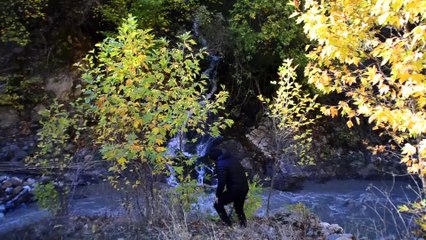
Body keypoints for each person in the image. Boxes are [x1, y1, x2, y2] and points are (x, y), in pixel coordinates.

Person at [210, 147, 249, 227]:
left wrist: (217, 195)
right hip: (244, 187)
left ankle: (228, 224)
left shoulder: (221, 163)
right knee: (238, 208)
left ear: (214, 158)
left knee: (217, 204)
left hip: (234, 190)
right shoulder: (231, 158)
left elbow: (221, 183)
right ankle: (244, 225)